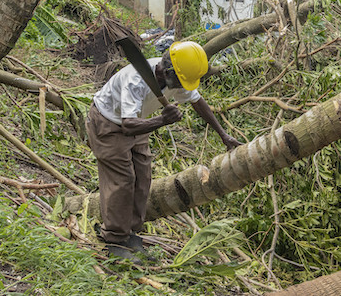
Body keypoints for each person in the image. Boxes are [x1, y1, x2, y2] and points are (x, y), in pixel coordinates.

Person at [86, 40, 241, 262]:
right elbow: (127, 125)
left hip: (137, 121)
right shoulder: (136, 80)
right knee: (123, 180)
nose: (183, 87)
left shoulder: (174, 76)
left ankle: (129, 233)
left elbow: (198, 102)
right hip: (109, 124)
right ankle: (113, 239)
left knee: (143, 177)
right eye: (181, 82)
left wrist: (223, 134)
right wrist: (162, 120)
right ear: (167, 72)